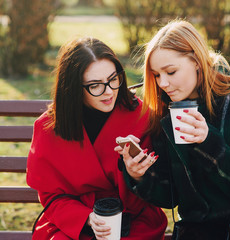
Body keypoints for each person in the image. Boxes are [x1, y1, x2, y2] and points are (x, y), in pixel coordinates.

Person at [116, 20, 230, 240]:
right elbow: (170, 198)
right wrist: (139, 176)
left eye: (171, 72)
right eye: (157, 75)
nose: (163, 83)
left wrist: (208, 140)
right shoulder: (165, 109)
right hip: (198, 229)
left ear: (197, 61)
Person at [26, 37, 167, 240]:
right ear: (73, 88)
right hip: (73, 221)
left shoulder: (141, 116)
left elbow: (153, 193)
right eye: (95, 85)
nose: (109, 92)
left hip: (134, 220)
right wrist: (87, 218)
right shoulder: (48, 128)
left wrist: (137, 176)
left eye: (113, 79)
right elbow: (51, 197)